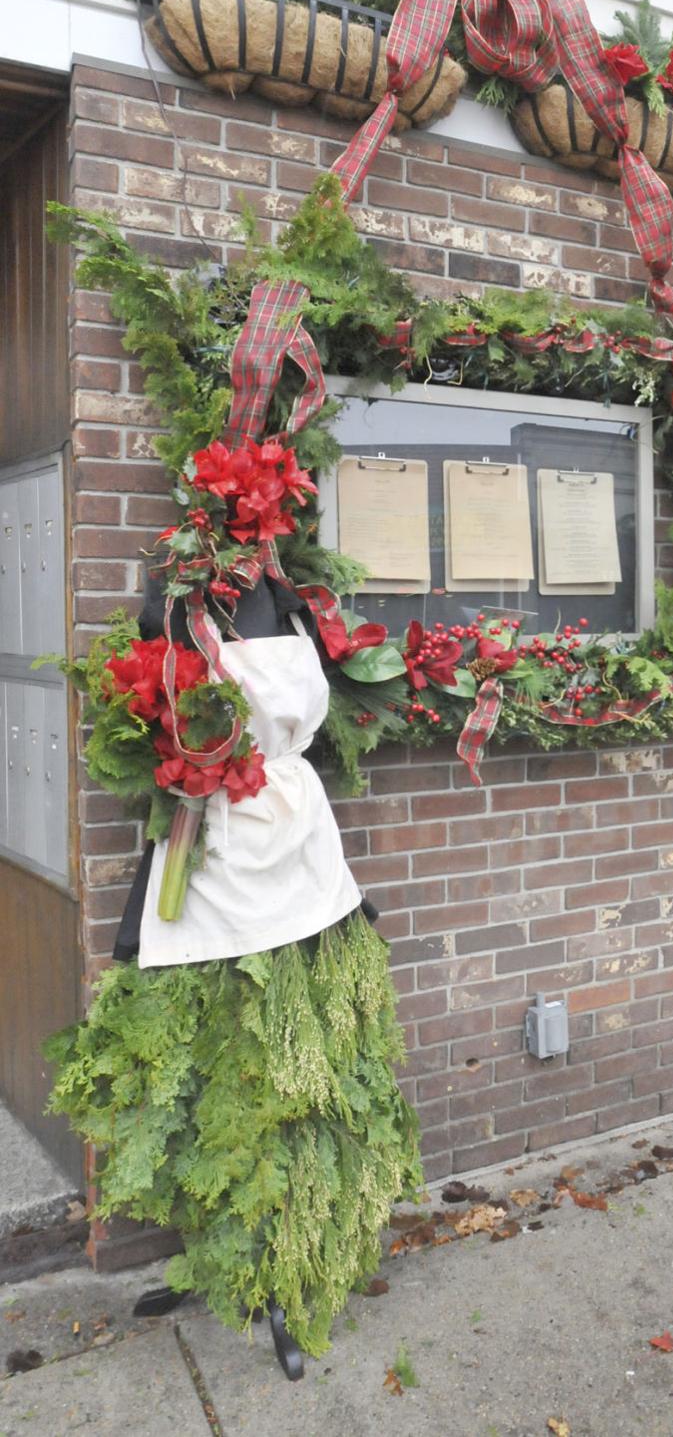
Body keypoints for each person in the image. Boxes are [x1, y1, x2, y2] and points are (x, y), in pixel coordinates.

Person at [47, 570, 422, 1378]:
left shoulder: (292, 601)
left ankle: (300, 1245)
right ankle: (232, 1249)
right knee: (221, 1062)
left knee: (305, 1056)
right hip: (216, 848)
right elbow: (151, 722)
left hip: (300, 839)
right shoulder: (176, 606)